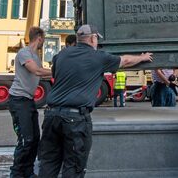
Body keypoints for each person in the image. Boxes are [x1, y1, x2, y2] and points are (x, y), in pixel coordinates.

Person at [38, 24, 153, 177]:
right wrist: (143, 57)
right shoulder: (98, 57)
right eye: (97, 39)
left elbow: (56, 74)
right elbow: (125, 61)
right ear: (92, 38)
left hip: (51, 117)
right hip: (75, 120)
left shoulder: (61, 56)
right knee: (73, 166)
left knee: (48, 164)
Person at [8, 26, 52, 178]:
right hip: (18, 100)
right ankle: (16, 173)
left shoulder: (36, 56)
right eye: (43, 40)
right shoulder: (24, 53)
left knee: (34, 139)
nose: (43, 43)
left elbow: (43, 75)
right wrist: (61, 69)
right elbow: (37, 71)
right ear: (39, 38)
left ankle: (27, 171)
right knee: (26, 139)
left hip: (28, 101)